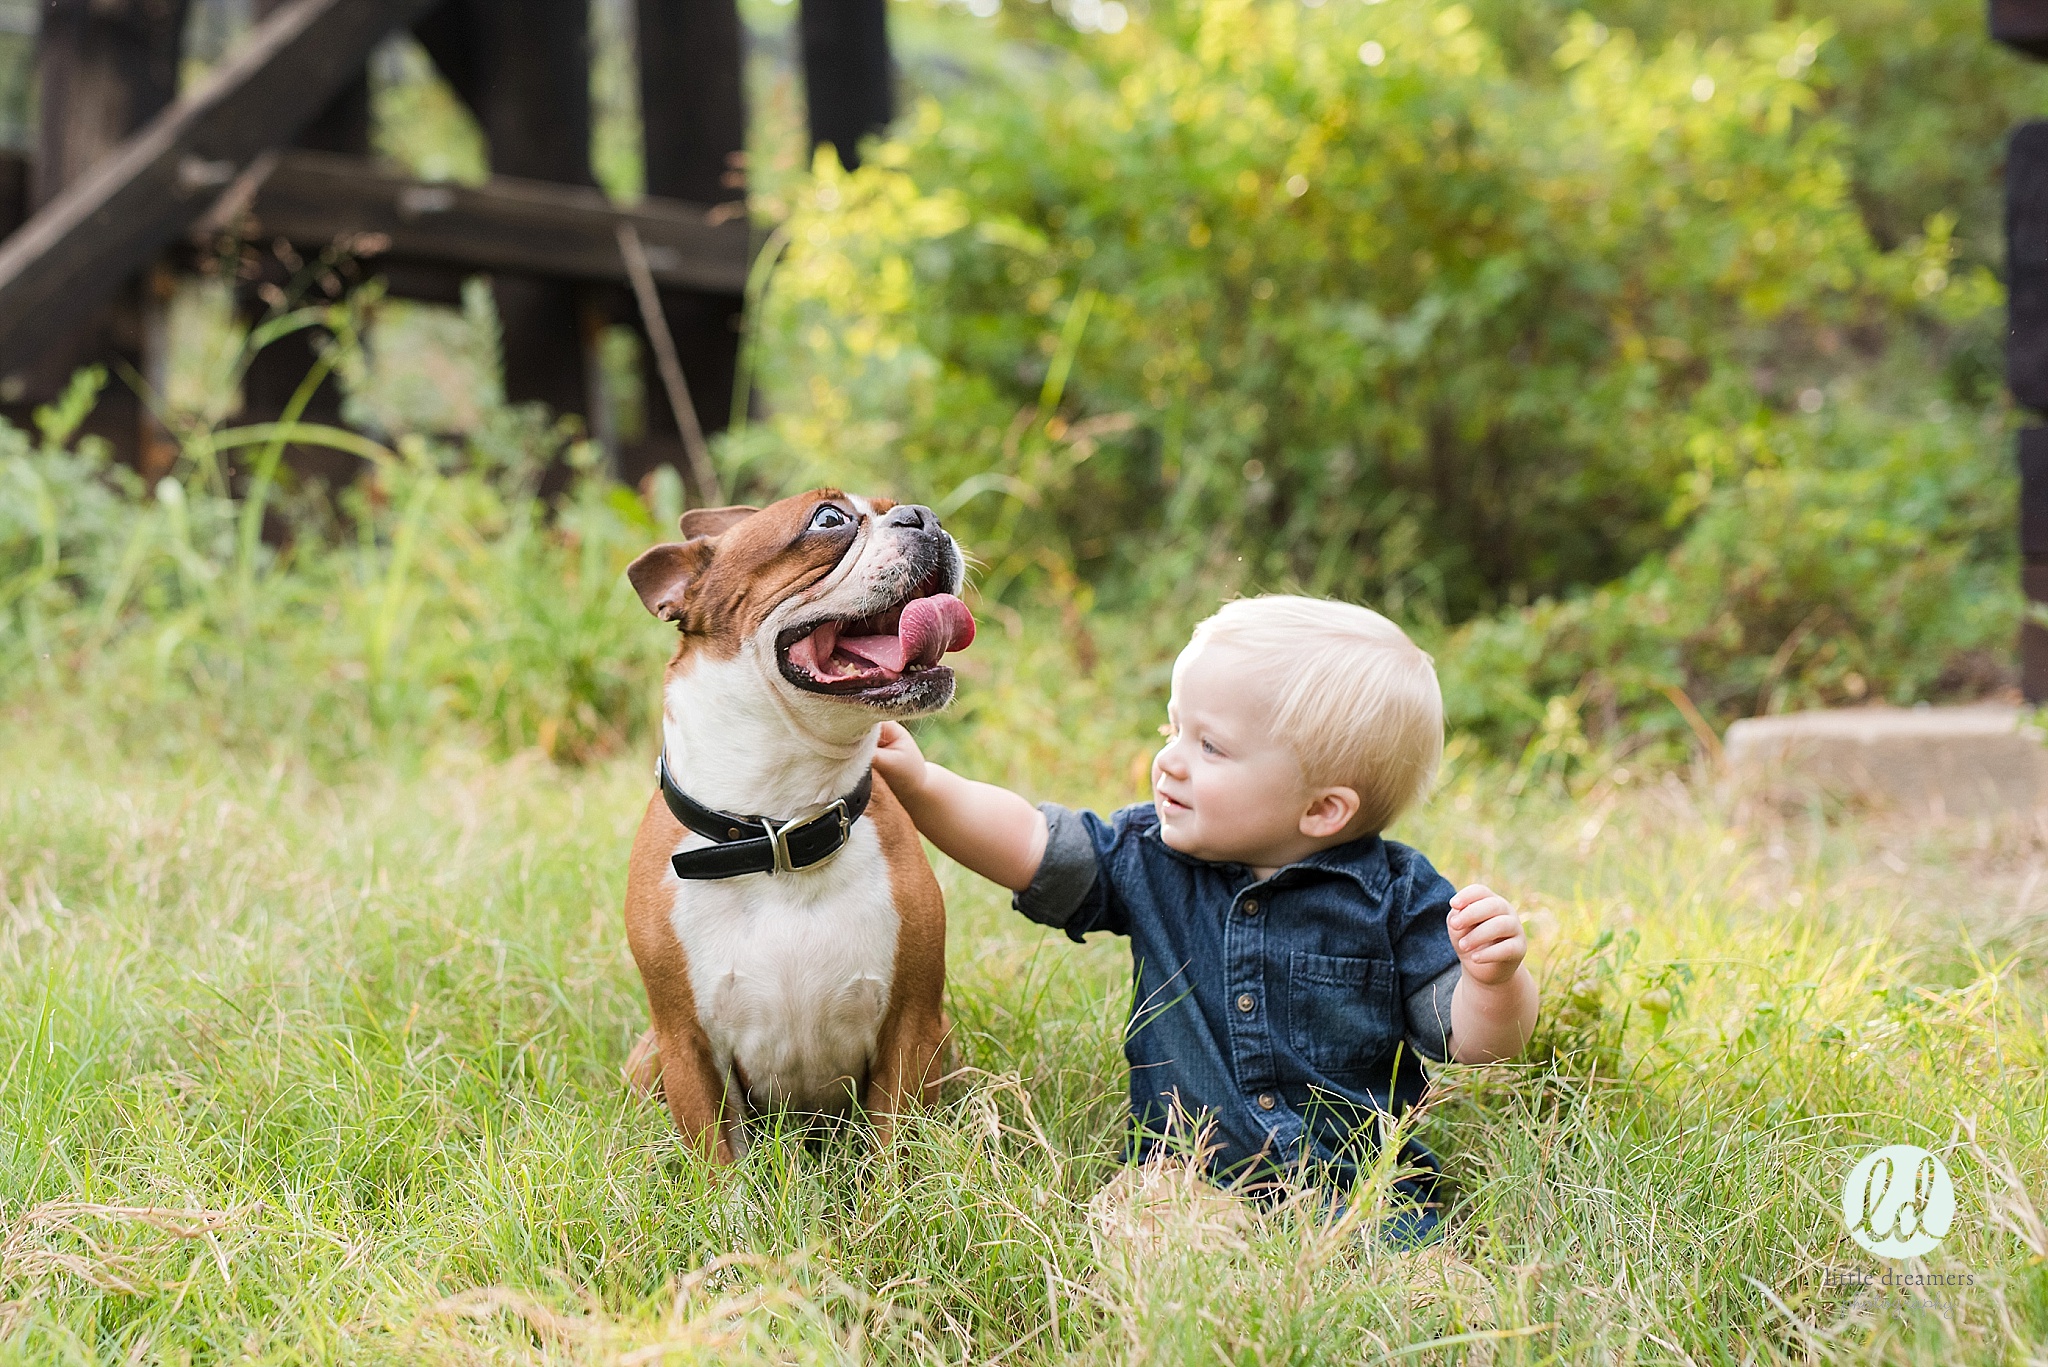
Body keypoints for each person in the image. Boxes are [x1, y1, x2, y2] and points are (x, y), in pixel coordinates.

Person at [871, 594, 1539, 1241]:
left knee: (1429, 1287)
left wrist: (1496, 980)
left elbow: (1474, 1041)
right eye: (1173, 729)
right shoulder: (1147, 857)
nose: (1169, 760)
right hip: (1184, 1177)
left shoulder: (1397, 894)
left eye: (1210, 747)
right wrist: (925, 786)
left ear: (1322, 809)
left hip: (1361, 1188)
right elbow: (1030, 843)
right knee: (1150, 1228)